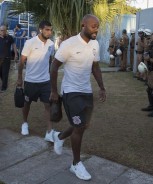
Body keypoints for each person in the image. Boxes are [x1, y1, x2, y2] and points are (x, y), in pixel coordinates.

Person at [49, 14, 106, 181]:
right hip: (71, 91)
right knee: (79, 127)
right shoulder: (69, 44)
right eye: (93, 26)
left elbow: (95, 67)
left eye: (98, 26)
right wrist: (53, 91)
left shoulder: (95, 44)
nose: (96, 29)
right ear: (83, 25)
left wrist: (101, 87)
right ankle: (75, 164)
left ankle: (59, 137)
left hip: (86, 91)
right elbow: (54, 66)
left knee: (83, 125)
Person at [17, 20, 57, 139]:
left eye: (50, 30)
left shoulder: (51, 44)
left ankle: (49, 132)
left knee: (48, 105)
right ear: (41, 29)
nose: (49, 32)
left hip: (45, 81)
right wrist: (20, 78)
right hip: (30, 80)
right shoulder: (30, 42)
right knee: (27, 103)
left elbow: (50, 61)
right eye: (47, 29)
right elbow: (21, 61)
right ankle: (24, 123)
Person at [0, 25, 18, 92]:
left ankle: (4, 87)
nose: (3, 32)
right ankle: (4, 83)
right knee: (1, 73)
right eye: (1, 30)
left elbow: (14, 45)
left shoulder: (9, 37)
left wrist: (16, 54)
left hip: (6, 58)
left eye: (4, 30)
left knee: (5, 73)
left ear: (6, 30)